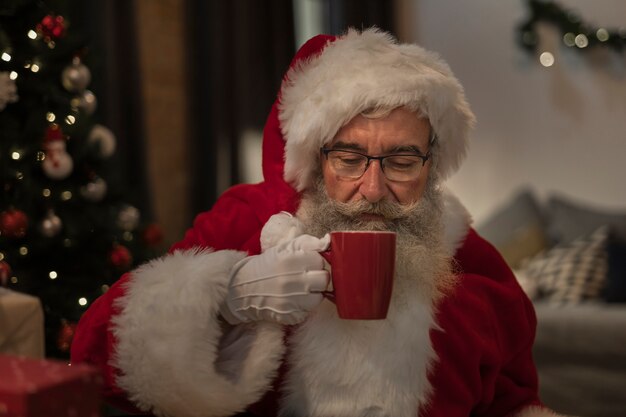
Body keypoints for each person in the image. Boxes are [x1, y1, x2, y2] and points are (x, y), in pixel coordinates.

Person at [71, 28, 565, 417]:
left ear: (431, 166)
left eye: (402, 160)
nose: (373, 189)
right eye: (349, 158)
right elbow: (94, 356)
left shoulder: (470, 263)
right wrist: (226, 296)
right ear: (314, 158)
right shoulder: (247, 220)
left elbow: (513, 403)